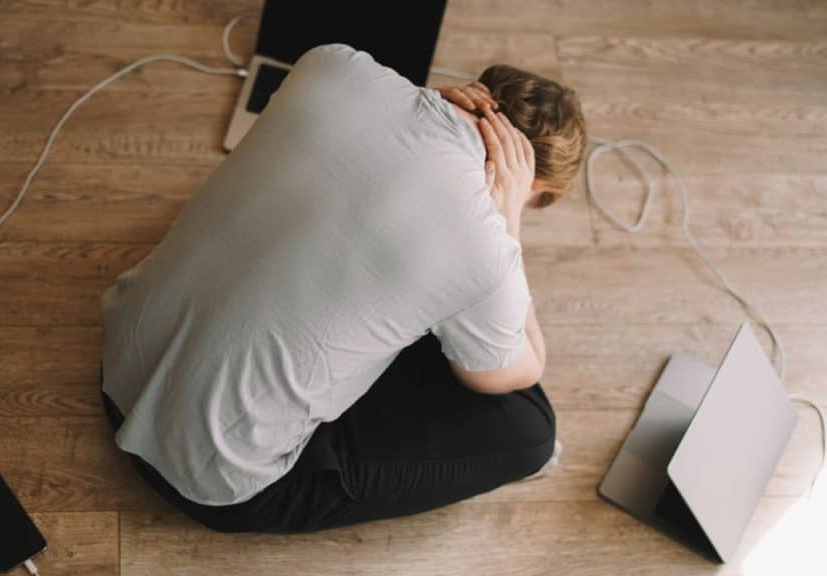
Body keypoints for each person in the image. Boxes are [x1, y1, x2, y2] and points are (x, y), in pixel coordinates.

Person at [100, 43, 587, 533]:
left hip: (120, 368)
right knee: (531, 428)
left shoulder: (332, 64)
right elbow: (523, 368)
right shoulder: (486, 246)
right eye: (535, 199)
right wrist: (509, 227)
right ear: (527, 176)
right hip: (211, 478)